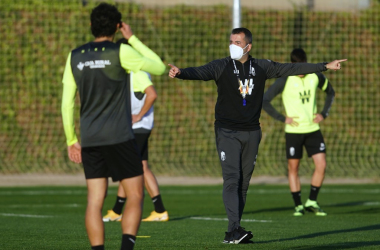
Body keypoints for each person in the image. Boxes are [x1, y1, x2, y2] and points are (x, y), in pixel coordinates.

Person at [168, 27, 346, 244]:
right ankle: (235, 229)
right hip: (227, 132)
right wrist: (181, 73)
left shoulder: (261, 67)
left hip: (252, 132)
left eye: (238, 42)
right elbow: (199, 72)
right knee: (232, 179)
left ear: (248, 46)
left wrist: (324, 66)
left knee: (244, 183)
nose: (233, 45)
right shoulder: (221, 66)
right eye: (231, 41)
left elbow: (291, 67)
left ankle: (232, 232)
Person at [61, 3, 165, 250]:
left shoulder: (75, 55)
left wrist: (71, 139)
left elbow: (66, 103)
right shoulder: (121, 51)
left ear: (91, 25)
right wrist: (132, 39)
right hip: (120, 136)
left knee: (94, 201)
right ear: (118, 27)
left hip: (91, 138)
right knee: (136, 195)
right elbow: (159, 67)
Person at [103, 39, 169, 223]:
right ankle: (156, 210)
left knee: (128, 167)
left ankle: (124, 210)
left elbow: (152, 94)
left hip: (138, 128)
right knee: (141, 166)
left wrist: (139, 115)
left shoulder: (137, 73)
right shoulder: (127, 73)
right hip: (136, 127)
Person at [262, 48, 334, 217]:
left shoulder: (316, 76)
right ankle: (298, 205)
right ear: (292, 65)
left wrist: (324, 114)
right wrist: (282, 118)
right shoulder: (284, 80)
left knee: (321, 165)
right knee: (293, 167)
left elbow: (330, 92)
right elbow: (265, 100)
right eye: (297, 66)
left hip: (313, 129)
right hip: (293, 131)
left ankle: (312, 201)